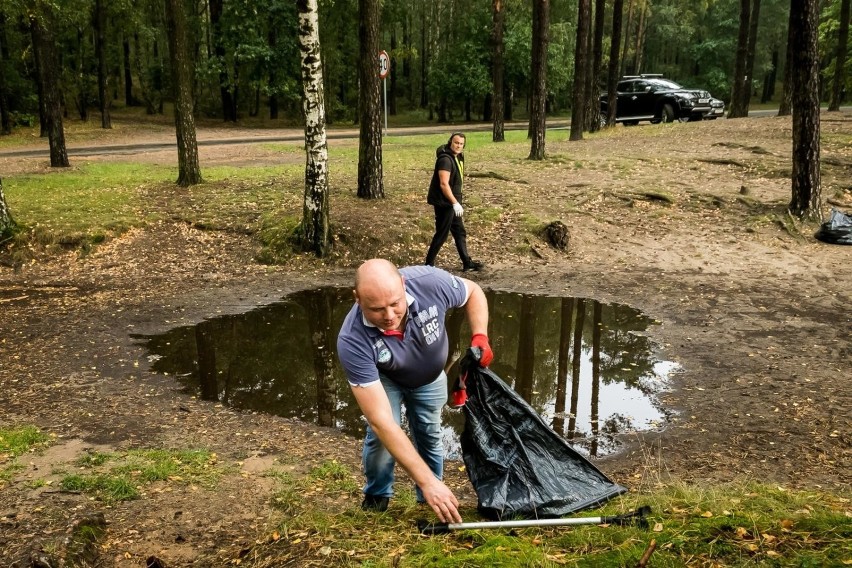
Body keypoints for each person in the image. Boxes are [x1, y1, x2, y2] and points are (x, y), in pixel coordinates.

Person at [336, 259, 493, 523]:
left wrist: (480, 336)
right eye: (376, 309)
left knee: (429, 434)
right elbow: (381, 421)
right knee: (381, 439)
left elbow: (473, 291)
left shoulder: (430, 283)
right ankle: (377, 496)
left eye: (395, 303)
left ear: (403, 285)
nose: (388, 316)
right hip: (385, 379)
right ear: (357, 299)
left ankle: (429, 498)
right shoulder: (352, 339)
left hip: (431, 378)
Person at [424, 132, 484, 272]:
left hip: (453, 202)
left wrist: (457, 202)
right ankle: (428, 265)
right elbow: (443, 184)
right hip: (445, 203)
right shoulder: (445, 159)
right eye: (456, 143)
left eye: (461, 144)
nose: (458, 146)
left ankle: (466, 262)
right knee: (442, 233)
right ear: (450, 142)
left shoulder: (458, 157)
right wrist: (455, 203)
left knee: (459, 231)